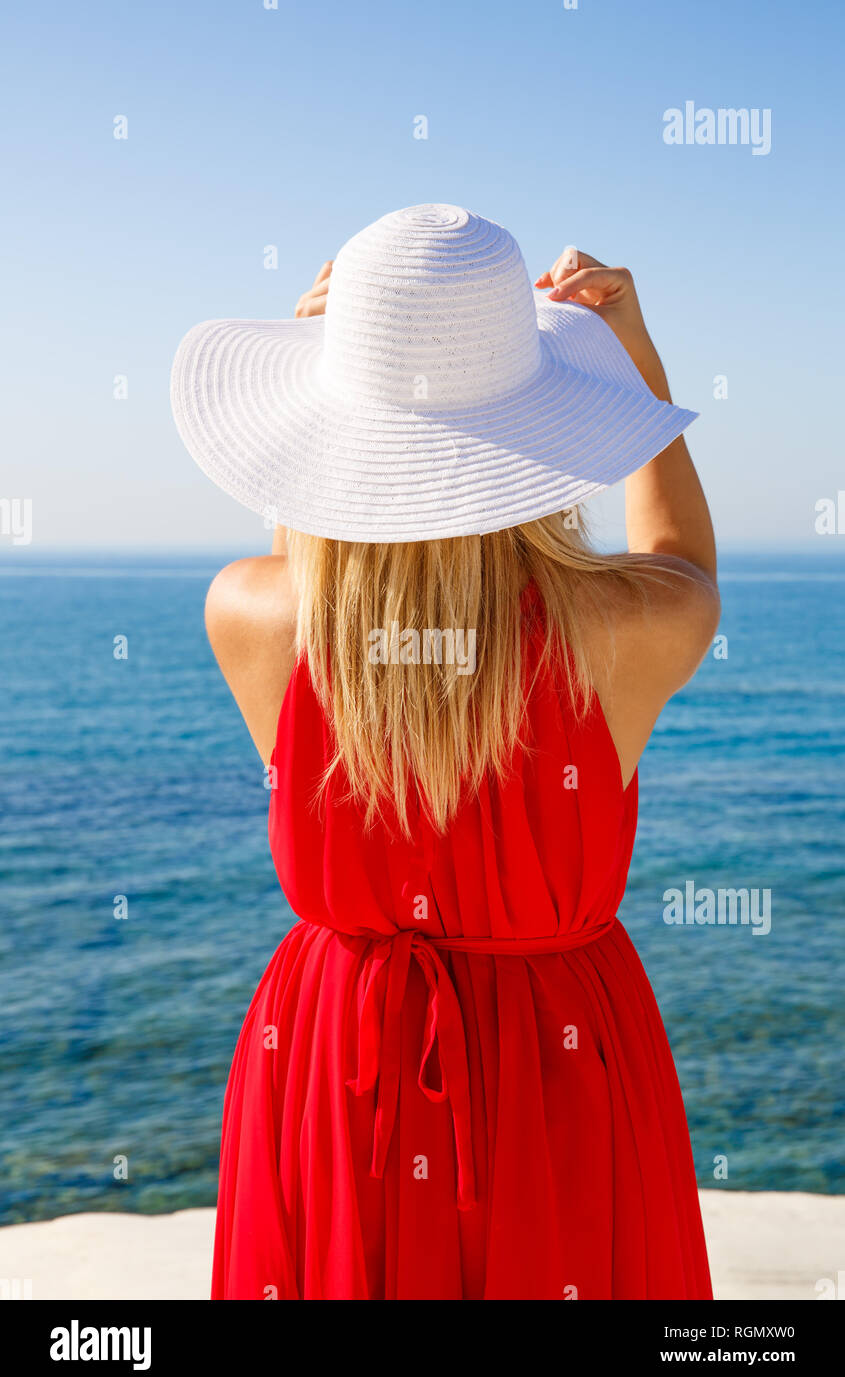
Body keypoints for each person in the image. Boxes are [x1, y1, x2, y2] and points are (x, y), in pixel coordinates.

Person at [171, 204, 719, 1300]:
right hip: (560, 1052)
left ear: (331, 429)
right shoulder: (622, 628)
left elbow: (320, 571)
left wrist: (325, 397)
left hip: (333, 1052)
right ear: (548, 425)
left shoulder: (251, 614)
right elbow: (680, 559)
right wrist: (634, 368)